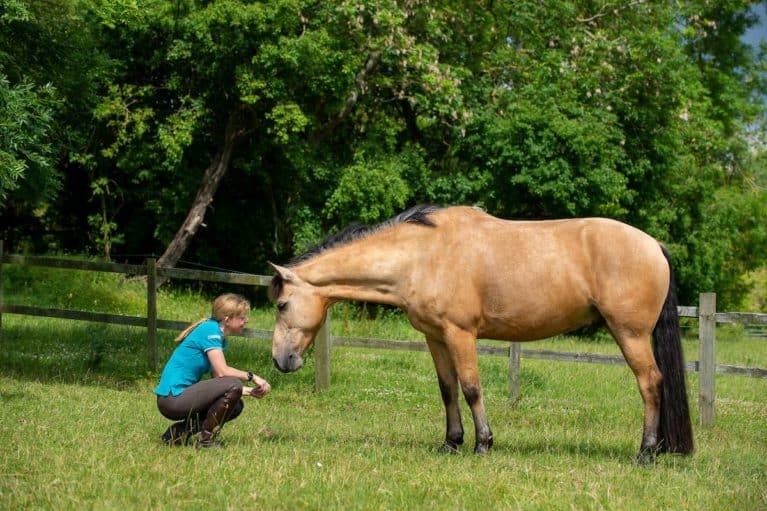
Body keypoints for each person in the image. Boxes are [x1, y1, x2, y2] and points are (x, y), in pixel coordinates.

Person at [154, 293, 271, 448]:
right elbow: (223, 372)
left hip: (178, 398)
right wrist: (252, 376)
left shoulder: (218, 337)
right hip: (172, 399)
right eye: (242, 317)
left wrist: (251, 392)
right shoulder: (210, 330)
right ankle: (205, 441)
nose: (246, 320)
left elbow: (219, 380)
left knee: (235, 406)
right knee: (234, 384)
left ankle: (178, 433)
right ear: (227, 320)